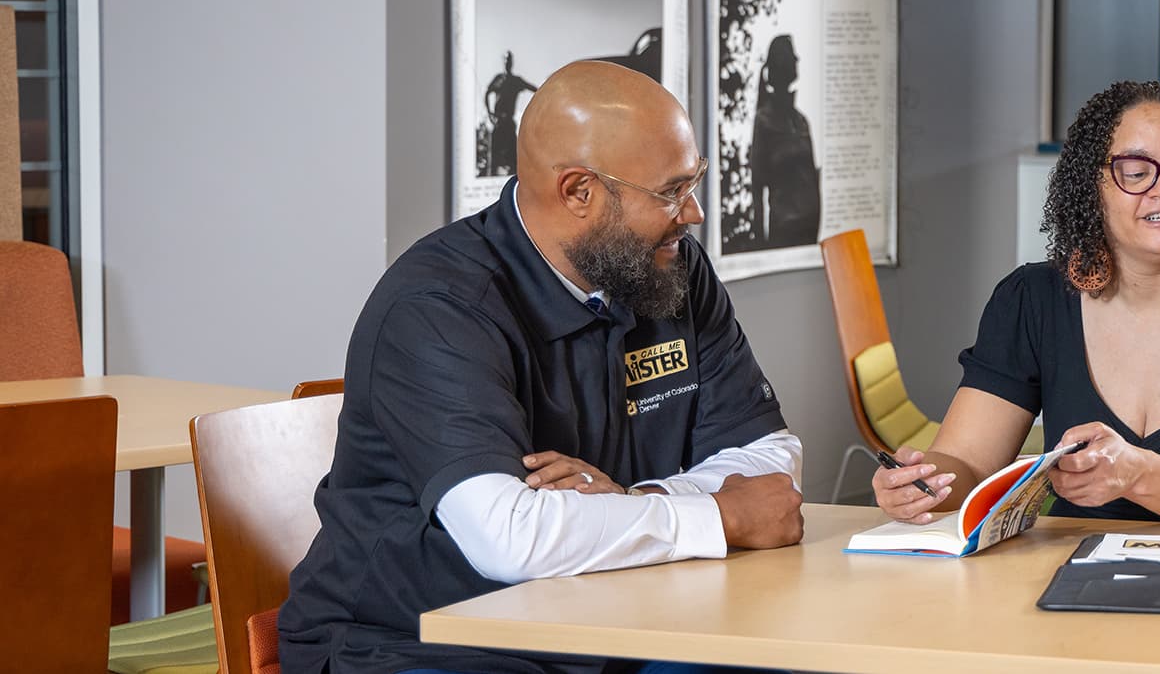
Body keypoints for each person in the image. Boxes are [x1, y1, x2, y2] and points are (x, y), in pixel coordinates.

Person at [279, 61, 806, 674]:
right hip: (419, 641)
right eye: (669, 192)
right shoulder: (437, 308)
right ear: (578, 191)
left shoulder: (670, 270)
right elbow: (508, 536)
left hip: (616, 618)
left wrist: (639, 499)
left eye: (693, 183)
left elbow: (770, 465)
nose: (693, 215)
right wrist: (718, 514)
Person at [872, 80, 1160, 527]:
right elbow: (967, 464)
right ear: (1090, 188)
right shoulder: (1032, 303)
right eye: (1137, 172)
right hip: (1074, 569)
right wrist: (922, 483)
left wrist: (1137, 474)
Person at [748, 34, 820, 248]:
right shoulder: (765, 121)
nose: (797, 60)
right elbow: (757, 185)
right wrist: (760, 242)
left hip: (810, 230)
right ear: (782, 64)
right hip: (785, 230)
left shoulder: (801, 121)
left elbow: (813, 180)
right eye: (792, 56)